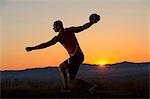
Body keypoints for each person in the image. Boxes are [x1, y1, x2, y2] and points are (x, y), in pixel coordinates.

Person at [26, 14, 100, 93]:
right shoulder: (70, 30)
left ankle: (91, 86)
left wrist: (33, 48)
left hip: (75, 57)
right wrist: (91, 22)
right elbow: (82, 27)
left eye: (54, 26)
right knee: (61, 67)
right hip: (76, 56)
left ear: (58, 26)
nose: (53, 28)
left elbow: (46, 44)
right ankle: (66, 89)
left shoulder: (59, 37)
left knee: (71, 80)